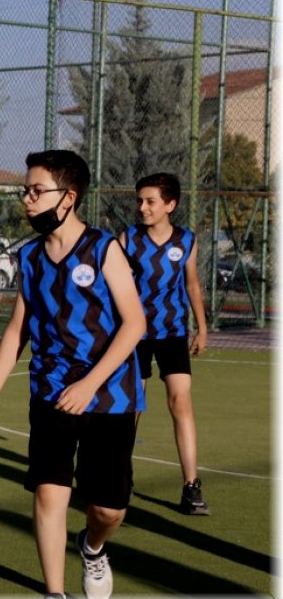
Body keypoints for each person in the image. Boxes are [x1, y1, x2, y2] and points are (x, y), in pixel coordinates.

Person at [0, 150, 145, 599]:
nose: (27, 199)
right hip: (49, 390)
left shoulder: (104, 249)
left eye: (36, 190)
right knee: (50, 495)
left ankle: (93, 546)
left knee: (108, 508)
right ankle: (54, 595)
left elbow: (134, 324)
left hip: (110, 395)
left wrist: (90, 385)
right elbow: (16, 331)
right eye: (25, 190)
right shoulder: (29, 257)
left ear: (69, 197)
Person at [119, 172, 209, 515]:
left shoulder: (186, 241)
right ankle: (120, 476)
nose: (142, 207)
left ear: (170, 205)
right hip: (134, 333)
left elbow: (192, 285)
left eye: (150, 201)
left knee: (180, 401)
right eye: (139, 200)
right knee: (132, 406)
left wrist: (202, 328)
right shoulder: (128, 239)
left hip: (172, 332)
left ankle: (191, 486)